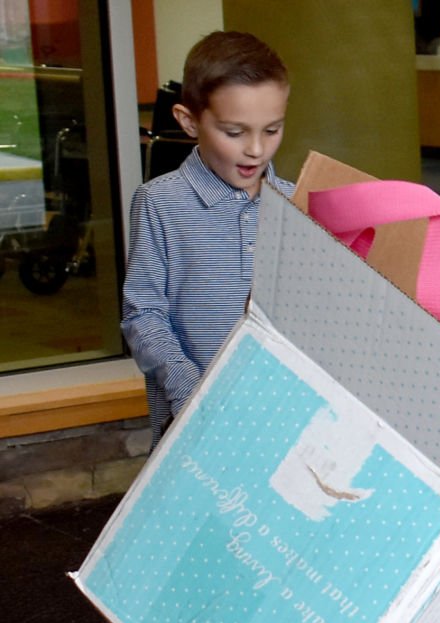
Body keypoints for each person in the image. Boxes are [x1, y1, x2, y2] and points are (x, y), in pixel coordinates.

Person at [121, 31, 292, 440]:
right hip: (196, 426)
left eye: (272, 130)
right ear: (188, 120)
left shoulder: (295, 203)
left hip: (283, 418)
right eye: (234, 132)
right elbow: (142, 316)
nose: (255, 149)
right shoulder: (159, 203)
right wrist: (192, 396)